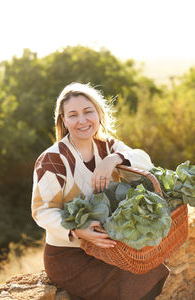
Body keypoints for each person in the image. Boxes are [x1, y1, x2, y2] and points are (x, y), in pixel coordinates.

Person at [31, 82, 169, 300]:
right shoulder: (53, 160)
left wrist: (113, 159)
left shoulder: (106, 146)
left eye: (88, 111)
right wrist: (76, 231)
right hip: (70, 255)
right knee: (129, 284)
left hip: (106, 249)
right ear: (64, 121)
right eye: (73, 115)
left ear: (98, 113)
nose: (82, 120)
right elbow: (42, 211)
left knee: (153, 269)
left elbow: (145, 162)